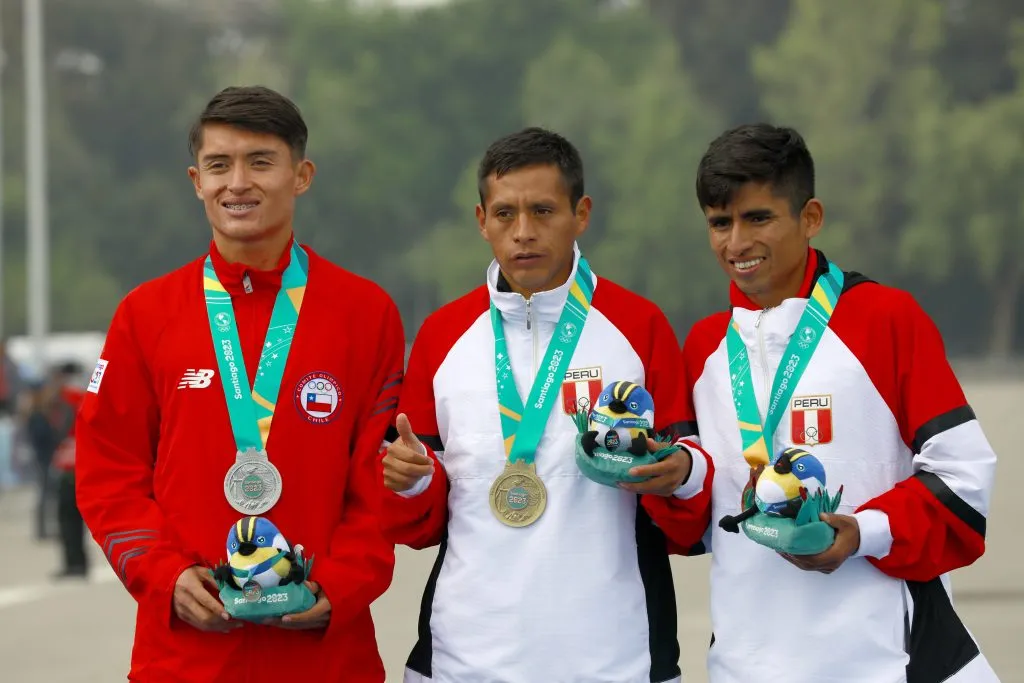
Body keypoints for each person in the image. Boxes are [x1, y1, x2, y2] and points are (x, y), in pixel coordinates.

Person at [75, 86, 403, 682]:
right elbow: (108, 469)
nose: (237, 183)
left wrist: (343, 582)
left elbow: (378, 480)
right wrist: (164, 573)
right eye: (219, 165)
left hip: (328, 659)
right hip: (185, 659)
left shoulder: (365, 312)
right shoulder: (145, 315)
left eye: (260, 162)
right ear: (195, 179)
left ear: (301, 175)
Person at [380, 127, 715, 683]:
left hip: (616, 662)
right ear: (481, 220)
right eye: (505, 214)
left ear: (580, 214)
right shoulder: (442, 336)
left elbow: (691, 509)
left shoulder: (639, 327)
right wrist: (412, 480)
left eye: (543, 210)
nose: (524, 233)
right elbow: (419, 525)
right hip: (464, 662)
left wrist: (680, 471)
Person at [685, 123, 999, 682]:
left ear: (810, 218)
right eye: (720, 223)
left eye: (758, 217)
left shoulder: (884, 319)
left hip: (885, 664)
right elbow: (696, 521)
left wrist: (862, 533)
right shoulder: (704, 347)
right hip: (744, 666)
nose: (736, 243)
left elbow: (965, 479)